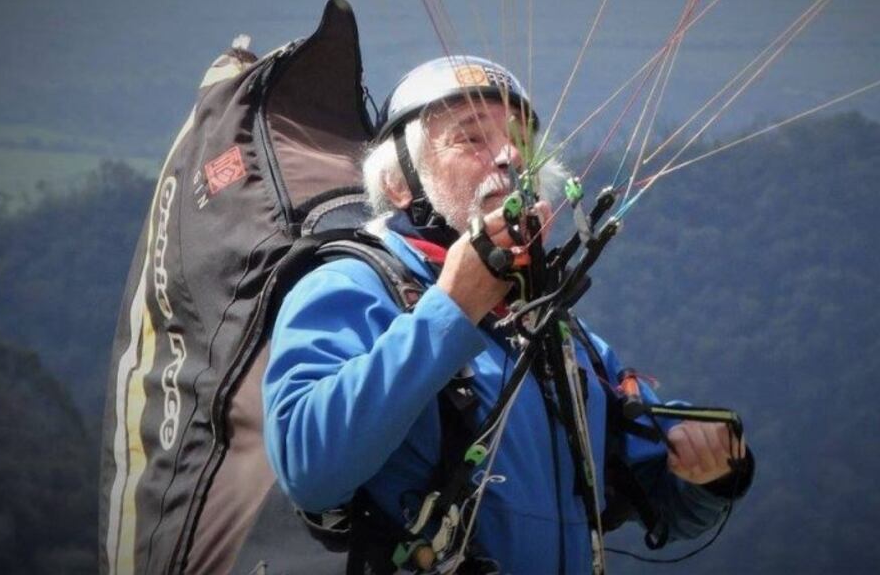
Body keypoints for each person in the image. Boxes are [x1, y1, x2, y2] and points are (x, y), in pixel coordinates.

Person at [263, 56, 754, 574]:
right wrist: (451, 309)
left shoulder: (554, 329)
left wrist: (707, 471)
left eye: (520, 141)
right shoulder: (349, 286)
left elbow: (663, 502)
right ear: (401, 185)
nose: (507, 157)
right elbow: (307, 468)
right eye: (471, 139)